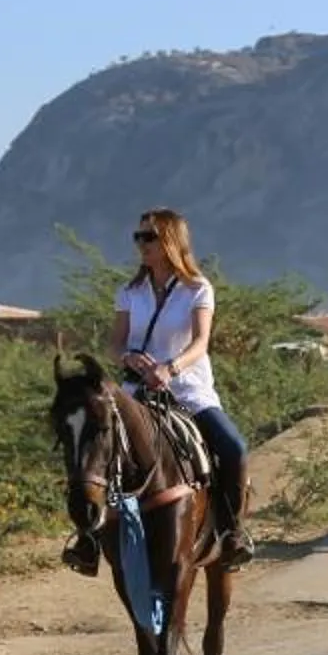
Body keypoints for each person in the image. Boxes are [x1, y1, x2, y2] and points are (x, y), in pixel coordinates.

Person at [112, 207, 254, 570]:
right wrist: (129, 358)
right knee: (94, 448)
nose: (141, 244)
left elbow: (201, 342)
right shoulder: (129, 292)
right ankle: (88, 537)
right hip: (137, 392)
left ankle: (232, 532)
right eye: (138, 237)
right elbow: (114, 344)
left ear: (171, 241)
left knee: (234, 448)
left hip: (188, 392)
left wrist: (169, 368)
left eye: (149, 237)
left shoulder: (197, 289)